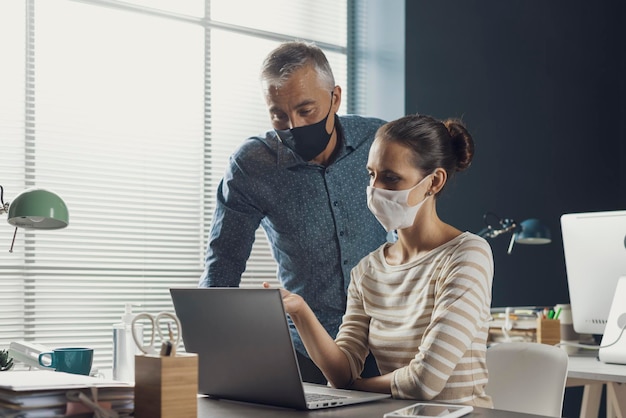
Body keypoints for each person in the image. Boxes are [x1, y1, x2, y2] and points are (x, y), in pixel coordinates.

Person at [270, 114, 494, 406]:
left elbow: (425, 381)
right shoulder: (368, 270)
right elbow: (342, 371)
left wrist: (356, 387)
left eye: (391, 177)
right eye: (371, 175)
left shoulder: (467, 254)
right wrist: (299, 311)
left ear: (434, 181)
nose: (376, 189)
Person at [198, 41, 388, 383]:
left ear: (335, 98)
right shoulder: (252, 164)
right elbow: (223, 261)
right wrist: (208, 353)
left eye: (306, 110)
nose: (294, 125)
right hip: (304, 353)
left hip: (387, 343)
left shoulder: (378, 141)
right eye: (279, 115)